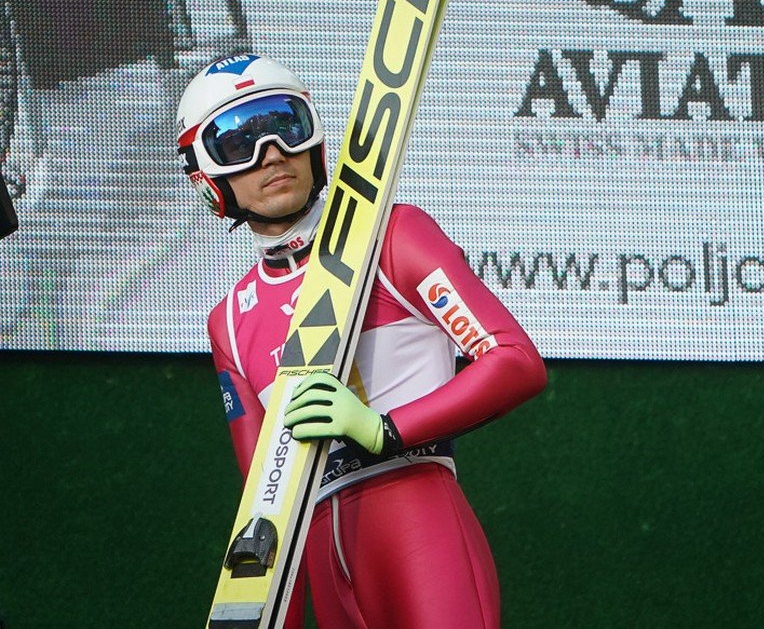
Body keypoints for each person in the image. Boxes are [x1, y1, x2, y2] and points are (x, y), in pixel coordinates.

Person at [175, 53, 546, 628]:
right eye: (237, 141)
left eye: (286, 124)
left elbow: (516, 361)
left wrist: (384, 430)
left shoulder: (395, 237)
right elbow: (264, 510)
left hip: (418, 518)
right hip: (323, 556)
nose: (271, 153)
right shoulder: (228, 322)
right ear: (206, 176)